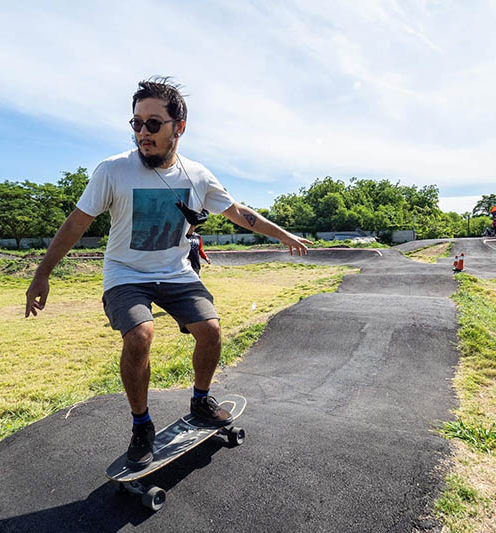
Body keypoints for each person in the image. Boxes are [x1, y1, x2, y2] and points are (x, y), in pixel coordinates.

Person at [24, 77, 312, 470]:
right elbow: (75, 223)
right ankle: (141, 426)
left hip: (175, 273)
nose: (142, 133)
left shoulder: (197, 176)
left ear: (179, 127)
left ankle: (200, 400)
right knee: (140, 335)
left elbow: (240, 214)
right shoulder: (112, 171)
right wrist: (43, 274)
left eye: (153, 124)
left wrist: (284, 234)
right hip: (126, 274)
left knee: (210, 331)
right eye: (136, 123)